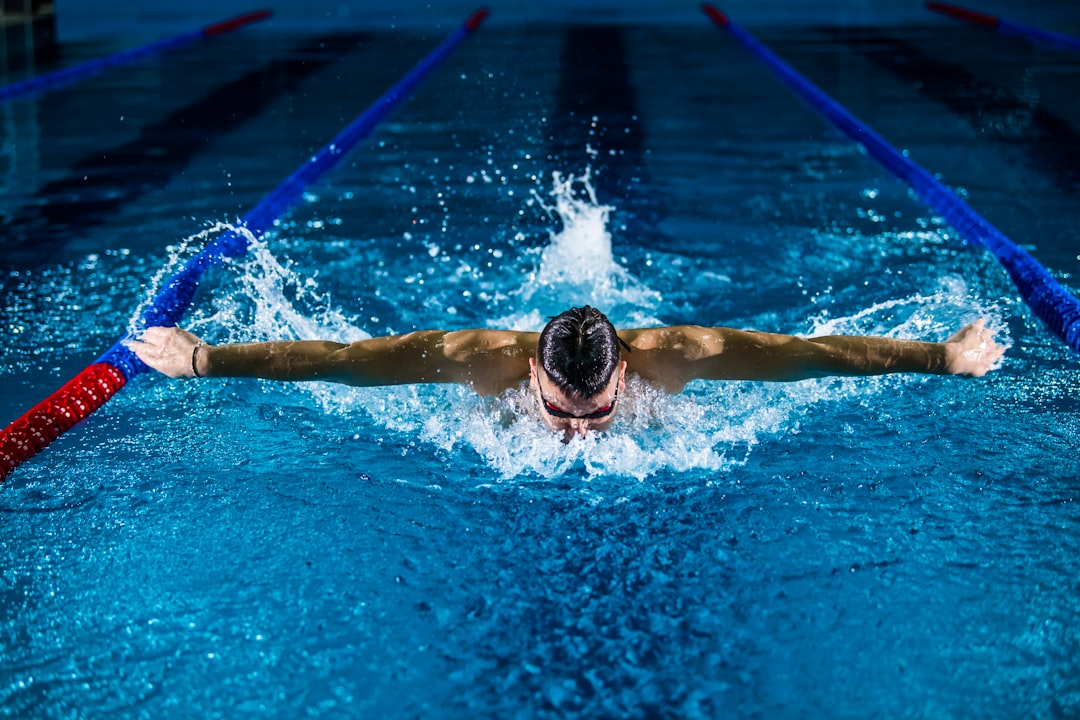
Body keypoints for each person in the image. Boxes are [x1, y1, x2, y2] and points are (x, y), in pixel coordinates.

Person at [128, 306, 1004, 441]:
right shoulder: (479, 363)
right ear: (531, 376)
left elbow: (814, 355)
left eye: (594, 413)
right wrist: (204, 359)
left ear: (627, 368)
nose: (577, 433)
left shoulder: (683, 356)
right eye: (559, 410)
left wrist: (941, 357)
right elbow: (344, 363)